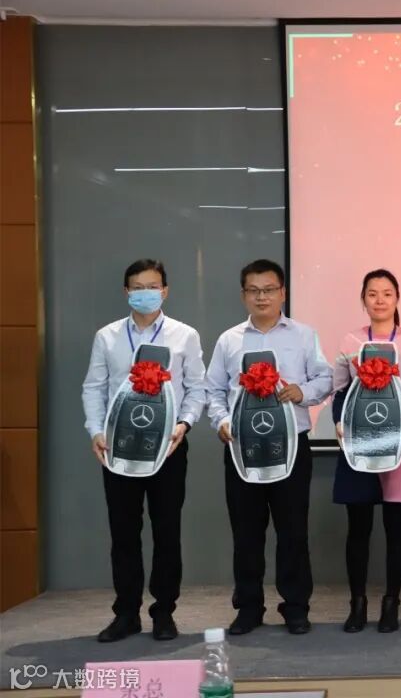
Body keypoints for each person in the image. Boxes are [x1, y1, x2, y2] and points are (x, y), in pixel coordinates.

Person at [81, 259, 206, 642]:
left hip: (168, 447)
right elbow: (94, 386)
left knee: (167, 531)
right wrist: (95, 430)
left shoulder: (185, 335)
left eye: (152, 286)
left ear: (165, 291)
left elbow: (197, 387)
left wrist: (184, 424)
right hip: (118, 447)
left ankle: (164, 613)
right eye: (137, 287)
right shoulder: (107, 336)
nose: (145, 293)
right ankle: (126, 614)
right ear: (126, 292)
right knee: (124, 532)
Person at [205, 259, 333, 636]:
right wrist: (222, 421)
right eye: (254, 290)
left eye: (269, 289)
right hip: (242, 448)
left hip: (291, 445)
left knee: (292, 531)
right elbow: (213, 390)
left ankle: (295, 608)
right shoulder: (229, 340)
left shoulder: (303, 335)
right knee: (246, 532)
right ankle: (249, 608)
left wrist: (302, 392)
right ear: (243, 295)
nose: (262, 297)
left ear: (283, 293)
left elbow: (325, 378)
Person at [330, 269, 401, 633]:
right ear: (363, 299)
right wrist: (339, 422)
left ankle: (392, 603)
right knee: (357, 529)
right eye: (372, 294)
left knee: (396, 528)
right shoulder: (350, 341)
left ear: (397, 298)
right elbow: (340, 390)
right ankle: (357, 604)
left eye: (387, 293)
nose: (380, 300)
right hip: (358, 444)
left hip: (400, 445)